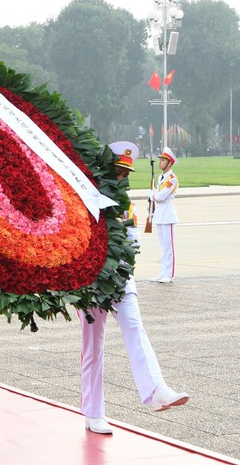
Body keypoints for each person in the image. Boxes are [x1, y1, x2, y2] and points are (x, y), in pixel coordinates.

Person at [81, 141, 189, 435]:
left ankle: (158, 390)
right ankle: (93, 413)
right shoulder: (87, 199)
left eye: (125, 173)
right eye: (117, 171)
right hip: (91, 284)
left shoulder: (126, 204)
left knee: (135, 328)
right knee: (93, 348)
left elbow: (135, 242)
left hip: (120, 278)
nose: (121, 178)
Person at [148, 147, 179, 284]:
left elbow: (160, 196)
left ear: (169, 163)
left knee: (169, 246)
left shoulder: (171, 179)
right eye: (160, 160)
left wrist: (152, 195)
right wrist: (154, 195)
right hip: (160, 214)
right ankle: (163, 272)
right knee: (163, 246)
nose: (160, 162)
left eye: (163, 160)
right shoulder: (162, 177)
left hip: (168, 214)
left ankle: (170, 274)